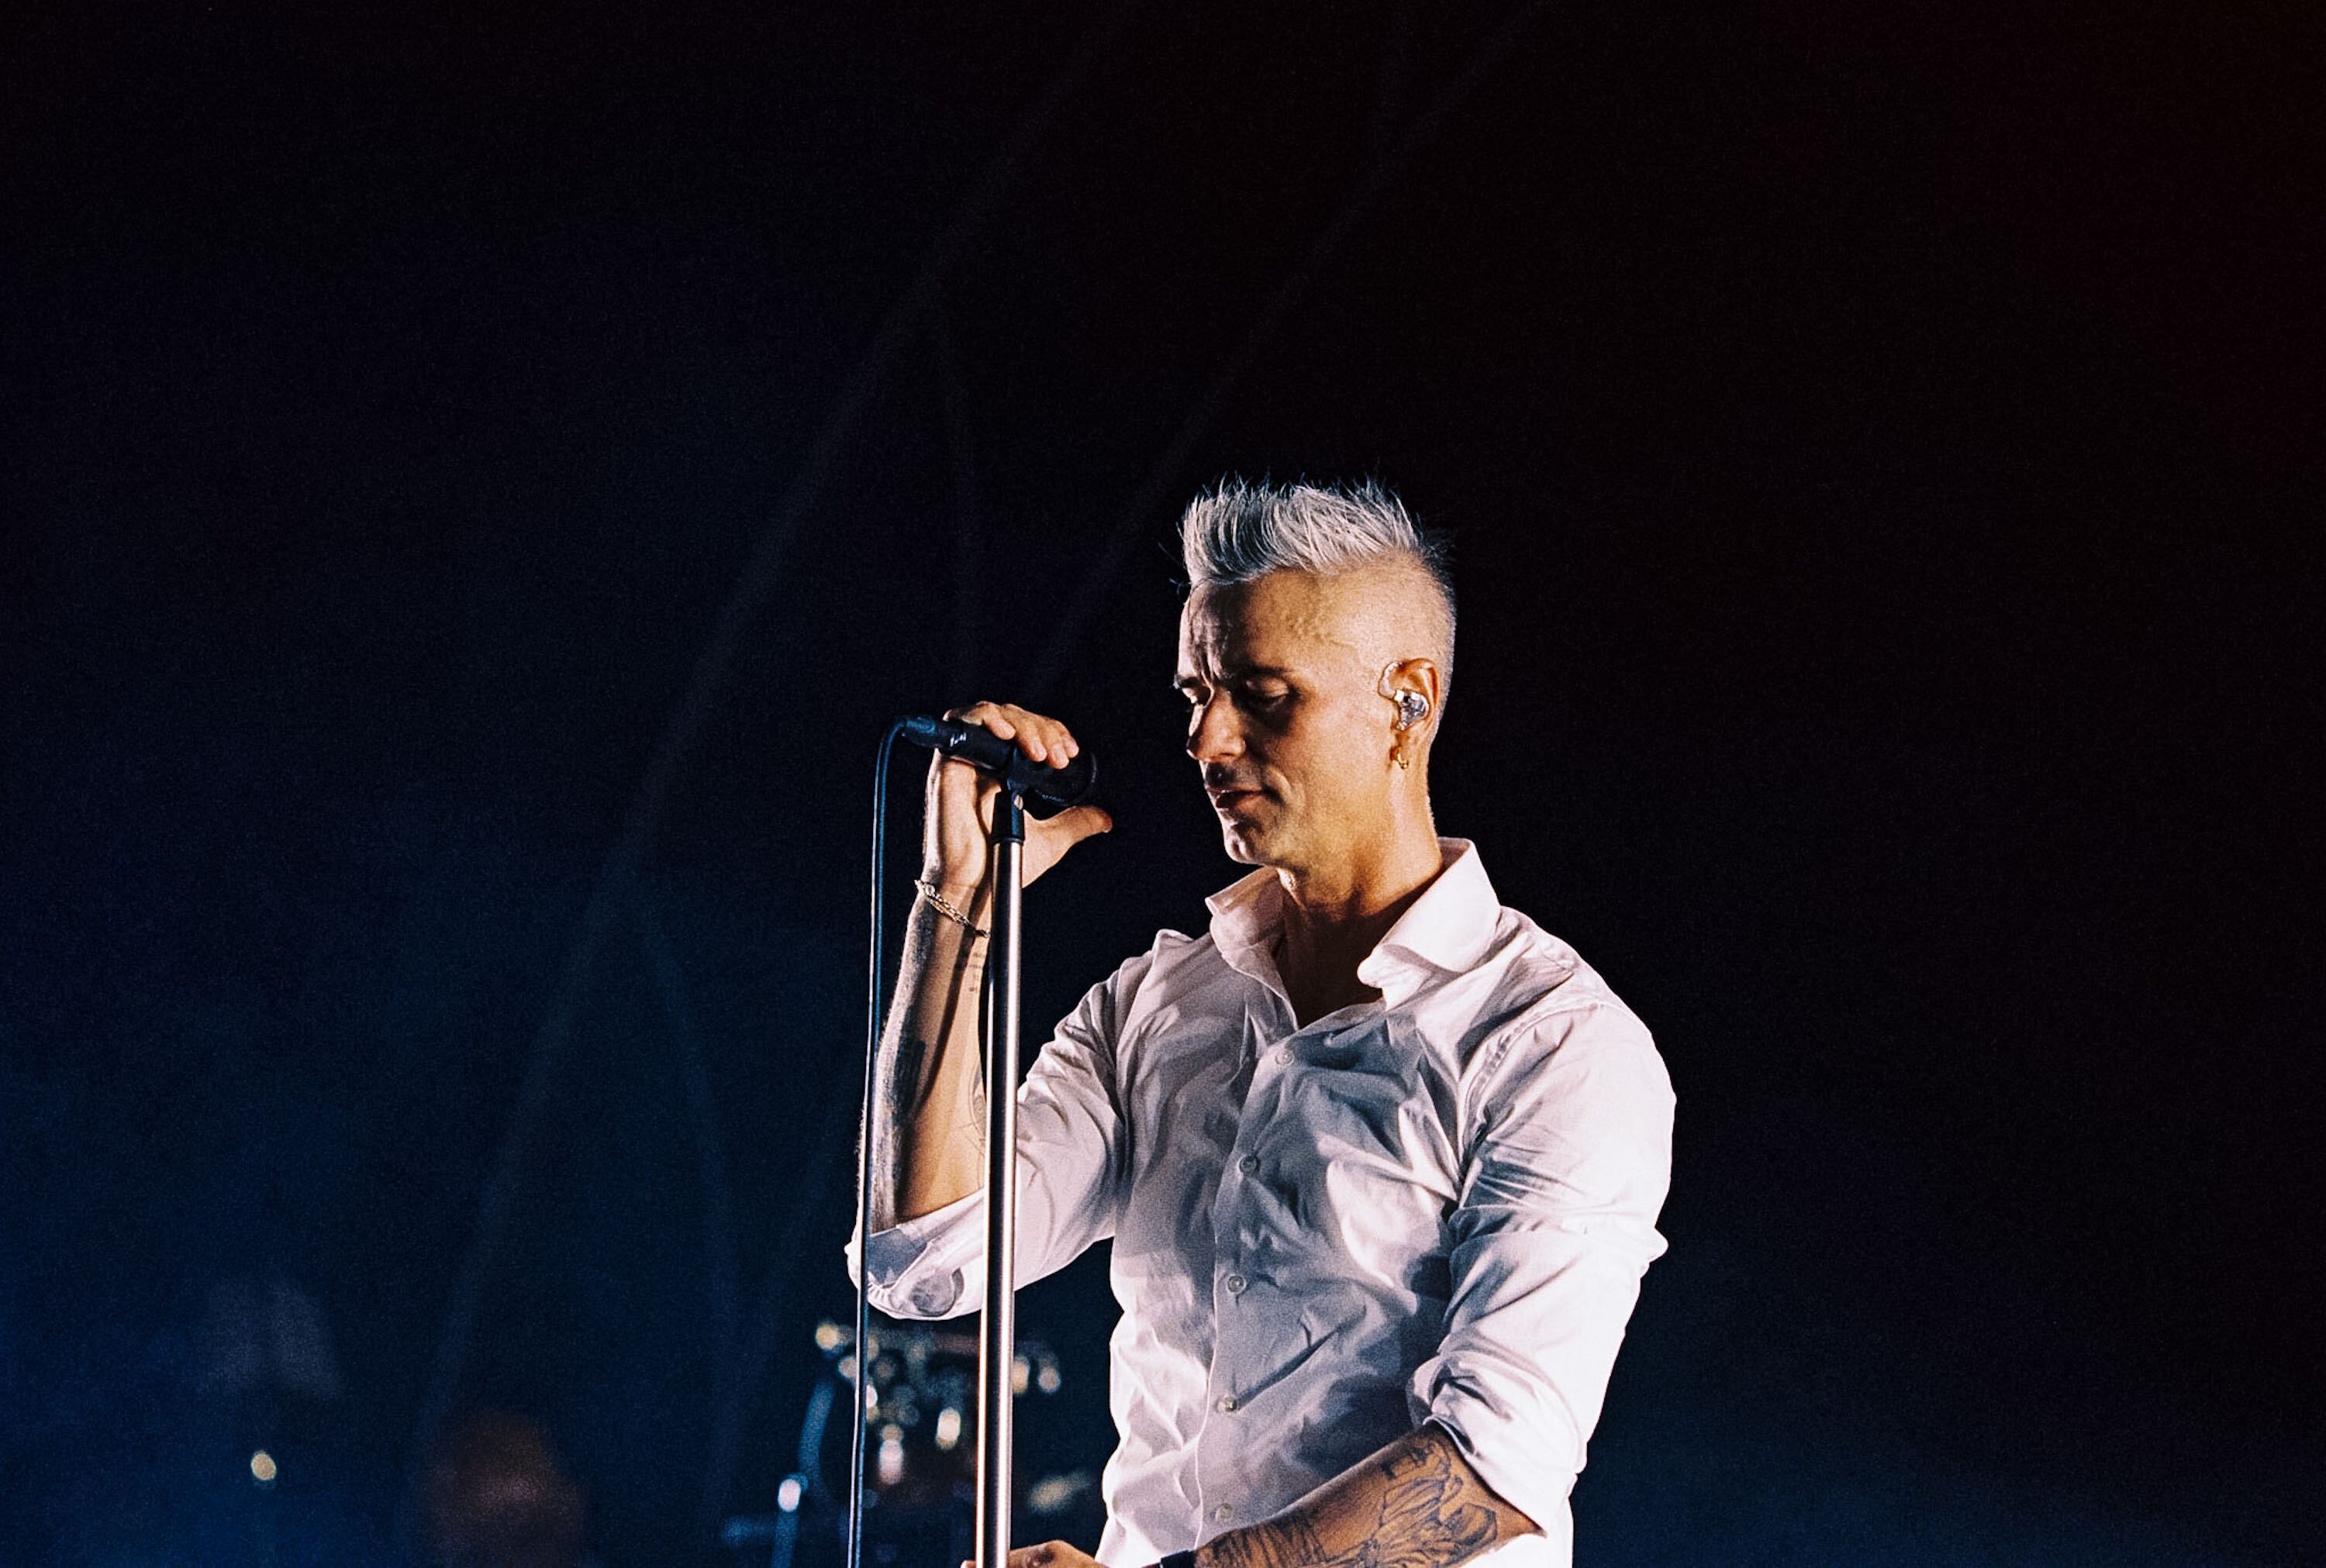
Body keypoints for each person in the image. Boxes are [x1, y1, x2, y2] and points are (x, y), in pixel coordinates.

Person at [851, 480, 1674, 1568]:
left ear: (1408, 701)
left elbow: (1491, 1473)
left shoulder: (1552, 1045)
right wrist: (954, 907)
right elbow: (922, 1258)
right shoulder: (1156, 1005)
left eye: (1263, 695)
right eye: (1196, 694)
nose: (1209, 738)